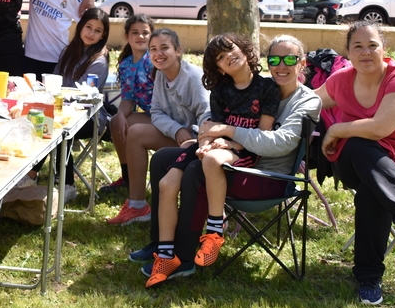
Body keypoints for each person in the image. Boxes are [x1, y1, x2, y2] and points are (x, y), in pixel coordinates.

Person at [131, 34, 321, 288]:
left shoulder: (306, 100)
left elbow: (279, 143)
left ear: (302, 63)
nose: (281, 65)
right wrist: (209, 131)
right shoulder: (265, 87)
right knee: (164, 159)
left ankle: (184, 258)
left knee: (197, 170)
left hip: (266, 177)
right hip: (234, 162)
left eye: (290, 59)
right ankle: (161, 245)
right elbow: (227, 109)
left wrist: (226, 132)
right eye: (275, 59)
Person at [313, 21, 395, 306]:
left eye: (372, 45)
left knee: (373, 194)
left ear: (384, 49)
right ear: (348, 52)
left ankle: (368, 279)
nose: (365, 52)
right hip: (356, 163)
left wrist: (337, 130)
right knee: (358, 144)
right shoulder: (341, 80)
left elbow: (381, 128)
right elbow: (308, 102)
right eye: (358, 46)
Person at [187, 33, 279, 267]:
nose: (228, 56)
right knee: (189, 156)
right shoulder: (220, 91)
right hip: (224, 146)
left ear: (245, 50)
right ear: (219, 69)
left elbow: (264, 132)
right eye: (220, 57)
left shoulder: (267, 87)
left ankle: (215, 231)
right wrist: (205, 144)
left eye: (230, 49)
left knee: (211, 159)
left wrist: (232, 144)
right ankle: (179, 240)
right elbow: (213, 127)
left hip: (250, 149)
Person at [106, 28, 211, 226]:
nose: (158, 53)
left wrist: (191, 134)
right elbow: (156, 112)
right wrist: (177, 130)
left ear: (178, 50)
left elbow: (207, 115)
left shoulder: (193, 77)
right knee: (135, 131)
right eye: (153, 49)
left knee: (137, 132)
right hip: (179, 134)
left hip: (201, 140)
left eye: (164, 48)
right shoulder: (161, 74)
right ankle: (137, 205)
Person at [20, 8, 111, 203]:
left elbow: (85, 95)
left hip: (90, 117)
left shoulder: (99, 60)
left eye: (97, 30)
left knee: (60, 130)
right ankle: (30, 174)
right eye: (88, 27)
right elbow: (55, 81)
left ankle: (67, 185)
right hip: (63, 111)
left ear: (103, 35)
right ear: (80, 27)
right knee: (37, 121)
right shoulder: (68, 51)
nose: (91, 33)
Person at [100, 14, 155, 194]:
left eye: (145, 33)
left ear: (152, 36)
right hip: (150, 115)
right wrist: (122, 115)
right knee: (116, 121)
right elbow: (128, 98)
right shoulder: (125, 64)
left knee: (126, 125)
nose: (140, 37)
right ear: (127, 36)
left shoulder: (154, 61)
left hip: (167, 116)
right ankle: (128, 178)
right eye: (135, 32)